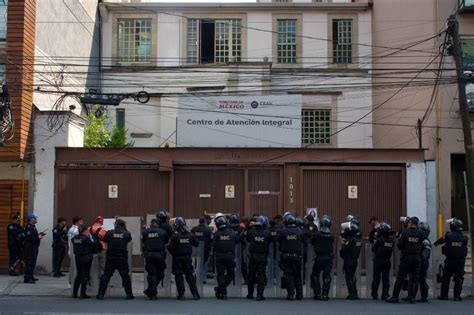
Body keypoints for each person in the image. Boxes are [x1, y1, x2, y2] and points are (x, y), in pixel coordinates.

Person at [387, 216, 424, 304]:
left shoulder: (405, 232)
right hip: (416, 258)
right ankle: (412, 297)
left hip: (406, 257)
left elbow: (400, 245)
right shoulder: (421, 233)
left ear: (410, 223)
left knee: (400, 278)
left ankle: (395, 297)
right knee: (414, 278)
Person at [97, 219, 133, 300]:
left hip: (111, 257)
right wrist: (125, 229)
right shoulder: (126, 233)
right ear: (123, 225)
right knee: (125, 276)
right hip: (122, 258)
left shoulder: (109, 233)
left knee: (106, 276)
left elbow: (104, 239)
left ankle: (100, 294)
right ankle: (129, 294)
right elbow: (129, 239)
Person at [434, 217, 468, 301]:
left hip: (450, 260)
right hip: (460, 261)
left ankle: (444, 295)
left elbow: (442, 241)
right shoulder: (464, 237)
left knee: (446, 277)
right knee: (459, 278)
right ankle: (456, 296)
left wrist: (436, 243)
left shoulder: (449, 235)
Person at [167, 217, 200, 300]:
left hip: (177, 258)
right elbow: (196, 243)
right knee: (190, 276)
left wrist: (174, 253)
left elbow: (170, 247)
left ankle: (181, 295)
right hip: (188, 258)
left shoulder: (175, 236)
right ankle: (195, 294)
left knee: (179, 276)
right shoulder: (190, 235)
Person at [241, 215, 272, 301]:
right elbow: (271, 241)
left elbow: (241, 237)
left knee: (251, 274)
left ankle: (250, 294)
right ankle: (259, 295)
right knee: (261, 275)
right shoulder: (267, 232)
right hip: (262, 256)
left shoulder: (251, 231)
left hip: (253, 256)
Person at [278, 212, 305, 301]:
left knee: (289, 275)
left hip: (286, 256)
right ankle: (299, 295)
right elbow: (305, 241)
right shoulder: (300, 231)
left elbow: (278, 241)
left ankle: (290, 295)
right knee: (298, 275)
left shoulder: (283, 231)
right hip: (297, 256)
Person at [142, 218, 170, 300]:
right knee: (160, 274)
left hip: (149, 255)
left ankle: (151, 291)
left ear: (151, 223)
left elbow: (144, 241)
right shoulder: (163, 232)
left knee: (151, 275)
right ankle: (152, 292)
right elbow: (166, 242)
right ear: (158, 224)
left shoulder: (145, 232)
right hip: (160, 255)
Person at [212, 214, 237, 300]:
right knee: (231, 274)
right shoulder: (232, 233)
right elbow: (236, 241)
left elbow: (213, 245)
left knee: (221, 275)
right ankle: (222, 291)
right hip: (230, 256)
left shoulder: (216, 234)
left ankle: (222, 291)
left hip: (219, 257)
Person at [311, 215, 334, 301]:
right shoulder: (331, 235)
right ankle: (325, 295)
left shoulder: (316, 234)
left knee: (315, 275)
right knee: (327, 276)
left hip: (319, 257)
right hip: (328, 257)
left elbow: (312, 242)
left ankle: (317, 294)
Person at [340, 218, 362, 300]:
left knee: (349, 277)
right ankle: (355, 293)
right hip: (354, 260)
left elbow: (344, 250)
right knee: (353, 277)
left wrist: (343, 244)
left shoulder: (351, 241)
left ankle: (351, 294)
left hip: (349, 260)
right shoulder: (358, 240)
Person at [371, 222, 394, 300]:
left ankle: (374, 294)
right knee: (386, 278)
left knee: (376, 278)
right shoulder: (391, 241)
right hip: (387, 261)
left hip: (378, 261)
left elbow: (373, 249)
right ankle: (385, 295)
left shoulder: (380, 240)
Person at [72, 224, 95, 299]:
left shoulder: (74, 238)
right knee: (84, 275)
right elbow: (93, 244)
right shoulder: (86, 238)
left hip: (77, 258)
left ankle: (74, 293)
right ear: (85, 231)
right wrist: (89, 236)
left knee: (78, 274)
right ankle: (82, 293)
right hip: (85, 257)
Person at [24, 214, 45, 283]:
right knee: (30, 262)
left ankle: (31, 276)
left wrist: (39, 234)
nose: (36, 220)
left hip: (34, 247)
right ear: (31, 219)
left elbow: (33, 235)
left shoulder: (33, 226)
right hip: (30, 247)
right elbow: (29, 238)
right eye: (35, 218)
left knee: (33, 262)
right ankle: (27, 278)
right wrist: (38, 237)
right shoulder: (29, 227)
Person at [413, 221, 431, 302]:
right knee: (416, 279)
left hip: (422, 262)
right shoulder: (421, 240)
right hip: (420, 261)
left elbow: (425, 255)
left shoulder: (425, 241)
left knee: (421, 280)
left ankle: (423, 297)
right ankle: (413, 296)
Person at [191, 217, 212, 284]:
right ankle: (203, 279)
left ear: (199, 222)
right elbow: (210, 240)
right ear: (204, 222)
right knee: (204, 264)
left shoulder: (194, 229)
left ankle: (195, 276)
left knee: (194, 264)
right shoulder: (207, 230)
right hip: (204, 250)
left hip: (195, 250)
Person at [229, 213, 247, 285]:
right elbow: (244, 239)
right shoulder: (241, 228)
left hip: (230, 249)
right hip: (240, 248)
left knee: (230, 265)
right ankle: (246, 279)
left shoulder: (228, 228)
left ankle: (231, 280)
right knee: (242, 265)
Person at [68, 216, 83, 286]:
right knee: (74, 267)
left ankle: (71, 282)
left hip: (71, 249)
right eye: (81, 221)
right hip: (74, 250)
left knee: (72, 267)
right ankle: (71, 282)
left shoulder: (71, 229)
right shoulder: (75, 230)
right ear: (77, 222)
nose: (82, 222)